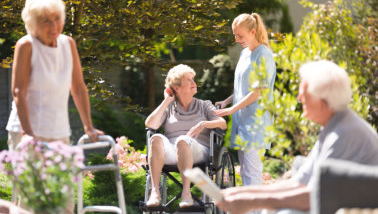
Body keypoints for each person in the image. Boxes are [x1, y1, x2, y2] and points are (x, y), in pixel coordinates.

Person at [216, 60, 378, 214]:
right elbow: (298, 182)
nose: (299, 99)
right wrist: (240, 193)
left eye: (304, 94)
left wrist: (252, 201)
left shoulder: (344, 133)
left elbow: (313, 196)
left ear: (322, 101)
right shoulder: (334, 127)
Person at [5, 0, 103, 213]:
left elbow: (77, 88)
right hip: (26, 132)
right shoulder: (26, 45)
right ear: (33, 23)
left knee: (64, 201)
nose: (54, 25)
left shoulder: (68, 44)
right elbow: (18, 91)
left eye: (57, 18)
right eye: (46, 21)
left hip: (59, 132)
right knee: (33, 202)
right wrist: (28, 134)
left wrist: (88, 126)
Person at [145, 64, 227, 208]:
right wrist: (166, 101)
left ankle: (186, 193)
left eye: (193, 79)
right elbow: (150, 124)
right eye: (189, 80)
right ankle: (155, 193)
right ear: (176, 87)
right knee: (155, 139)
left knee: (182, 140)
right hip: (172, 152)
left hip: (199, 151)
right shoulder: (169, 107)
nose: (194, 83)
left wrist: (203, 124)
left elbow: (222, 123)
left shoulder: (204, 105)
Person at [214, 13, 276, 188]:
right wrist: (226, 102)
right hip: (242, 121)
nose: (237, 39)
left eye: (240, 36)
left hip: (256, 123)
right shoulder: (244, 54)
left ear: (253, 31)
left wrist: (231, 110)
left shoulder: (263, 55)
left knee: (252, 173)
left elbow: (259, 91)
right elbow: (242, 89)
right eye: (235, 35)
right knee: (245, 171)